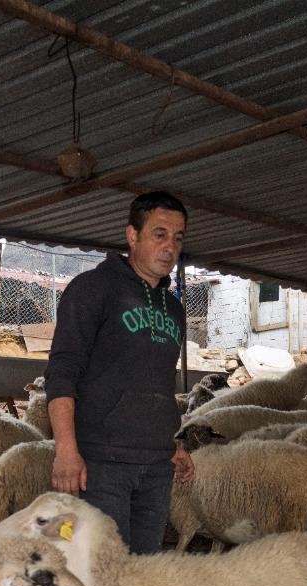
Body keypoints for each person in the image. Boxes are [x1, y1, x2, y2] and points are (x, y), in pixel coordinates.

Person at [45, 190, 195, 554]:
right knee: (100, 566)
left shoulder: (173, 309)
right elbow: (62, 370)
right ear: (132, 236)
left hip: (156, 466)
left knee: (142, 571)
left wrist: (168, 440)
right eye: (159, 234)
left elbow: (153, 380)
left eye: (177, 238)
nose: (169, 247)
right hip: (101, 464)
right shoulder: (94, 289)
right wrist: (66, 449)